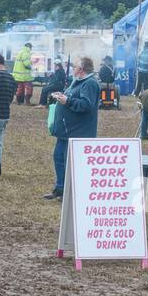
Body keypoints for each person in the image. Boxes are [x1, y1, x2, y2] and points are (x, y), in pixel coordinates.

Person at [44, 56, 100, 200]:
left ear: (81, 69)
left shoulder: (90, 84)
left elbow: (86, 105)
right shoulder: (78, 81)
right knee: (59, 158)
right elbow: (73, 98)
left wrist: (67, 100)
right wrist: (62, 96)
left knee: (70, 163)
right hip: (66, 131)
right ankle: (60, 188)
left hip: (77, 132)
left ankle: (70, 192)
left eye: (74, 66)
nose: (72, 68)